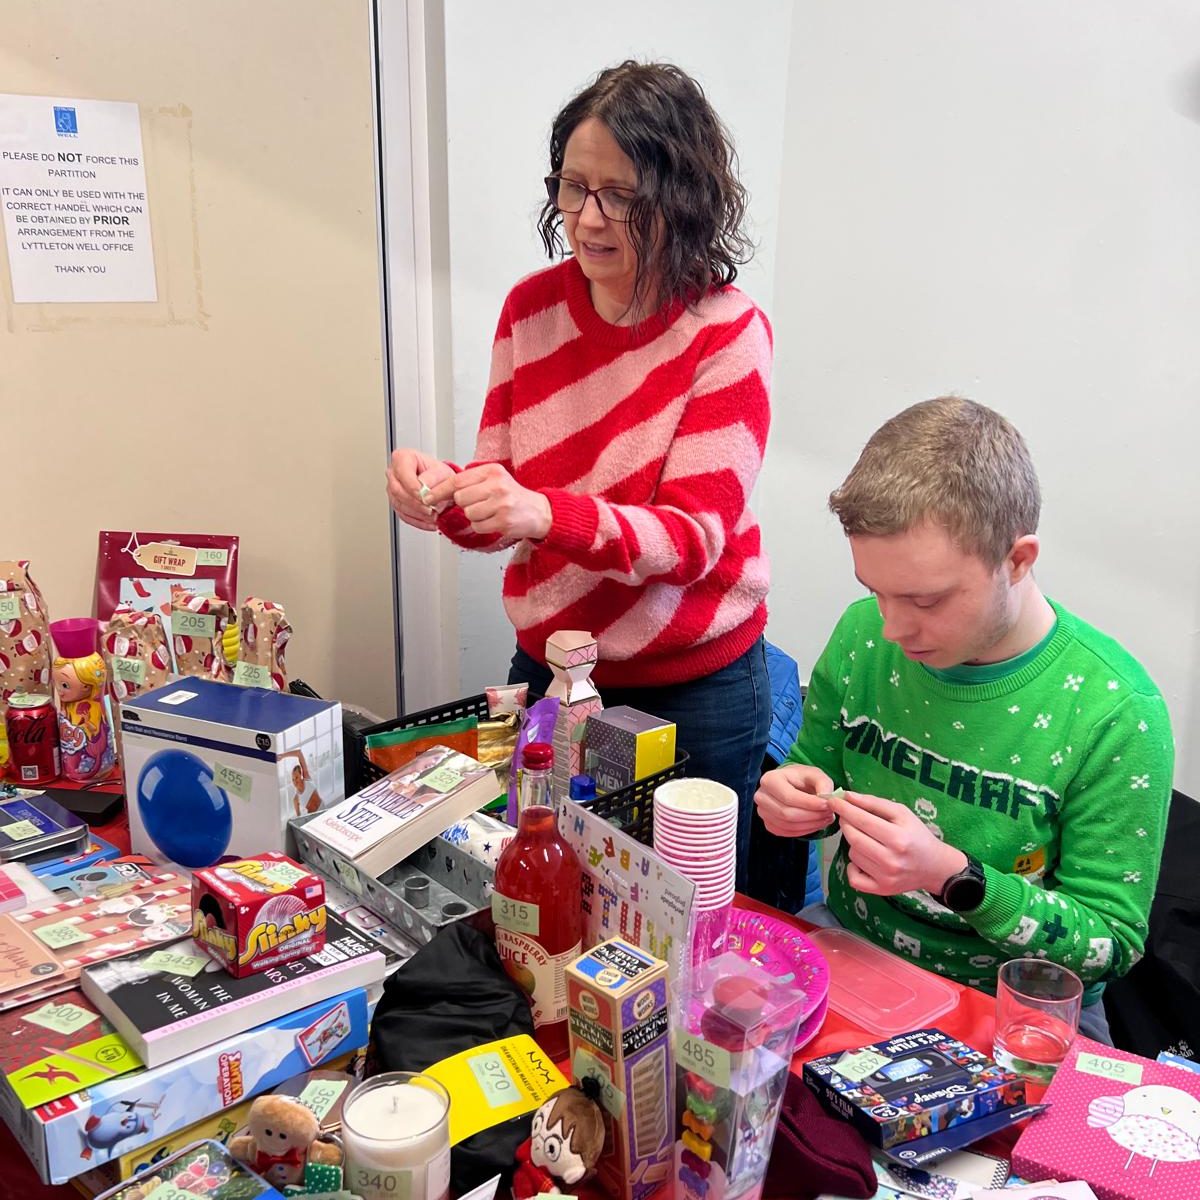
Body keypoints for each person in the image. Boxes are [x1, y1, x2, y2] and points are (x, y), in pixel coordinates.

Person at [386, 61, 772, 888]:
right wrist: (441, 494)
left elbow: (693, 539)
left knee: (680, 918)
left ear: (681, 197)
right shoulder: (532, 309)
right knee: (552, 892)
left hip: (692, 688)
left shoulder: (726, 332)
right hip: (556, 670)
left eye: (621, 196)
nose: (588, 219)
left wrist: (536, 513)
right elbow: (503, 497)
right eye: (572, 188)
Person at [755, 397, 1173, 1044]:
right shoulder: (866, 637)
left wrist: (952, 877)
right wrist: (793, 796)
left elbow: (1108, 945)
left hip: (1020, 1011)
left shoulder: (1115, 712)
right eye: (875, 591)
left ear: (1018, 559)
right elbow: (815, 771)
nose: (893, 628)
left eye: (926, 599)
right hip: (854, 952)